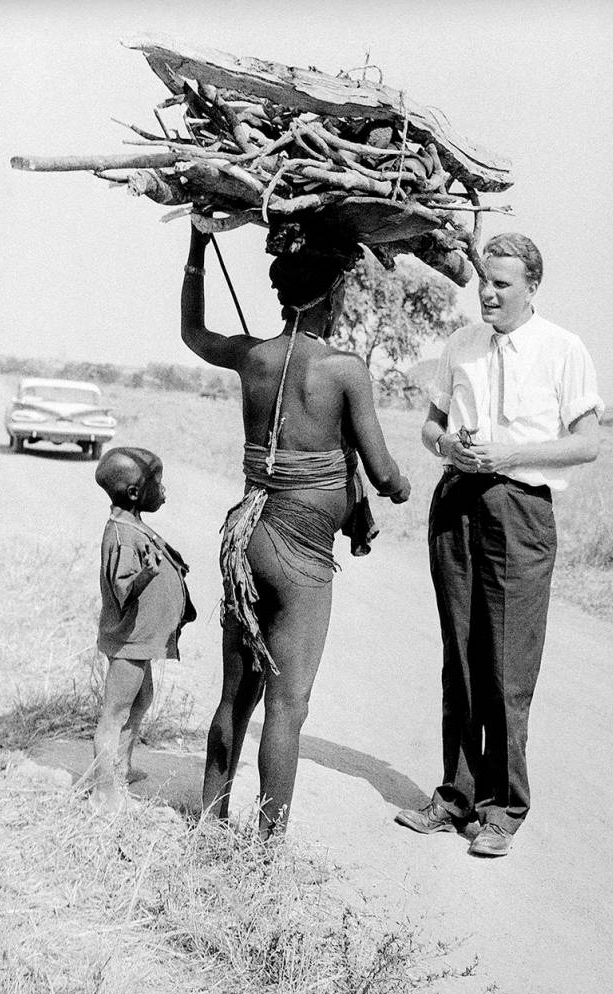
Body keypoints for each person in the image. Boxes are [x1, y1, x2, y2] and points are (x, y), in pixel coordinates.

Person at [181, 224, 411, 837]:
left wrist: (199, 248)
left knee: (237, 695)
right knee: (288, 705)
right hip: (302, 551)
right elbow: (384, 470)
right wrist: (399, 487)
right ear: (332, 295)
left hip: (247, 536)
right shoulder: (345, 369)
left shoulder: (253, 356)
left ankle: (208, 821)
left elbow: (193, 334)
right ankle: (267, 851)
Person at [395, 232, 603, 856]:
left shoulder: (564, 349)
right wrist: (446, 446)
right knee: (458, 654)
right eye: (484, 279)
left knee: (507, 665)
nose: (486, 291)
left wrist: (511, 454)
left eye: (502, 283)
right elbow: (431, 426)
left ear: (531, 287)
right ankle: (455, 797)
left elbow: (586, 442)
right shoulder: (460, 344)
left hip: (519, 511)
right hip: (458, 501)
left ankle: (504, 808)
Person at [89, 446, 196, 815]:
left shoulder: (133, 524)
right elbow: (121, 591)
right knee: (115, 713)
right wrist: (146, 575)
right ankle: (104, 792)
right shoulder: (120, 535)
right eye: (157, 483)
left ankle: (121, 767)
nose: (163, 490)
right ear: (134, 493)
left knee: (141, 699)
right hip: (127, 641)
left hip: (141, 641)